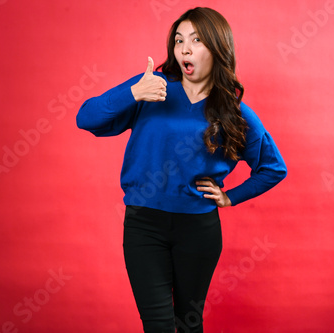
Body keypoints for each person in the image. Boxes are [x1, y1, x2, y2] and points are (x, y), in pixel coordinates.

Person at [76, 7, 287, 333]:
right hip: (144, 226)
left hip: (198, 230)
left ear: (217, 49)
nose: (184, 49)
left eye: (196, 40)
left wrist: (230, 197)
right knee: (158, 325)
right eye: (178, 41)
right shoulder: (152, 87)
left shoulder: (233, 111)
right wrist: (133, 92)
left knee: (188, 324)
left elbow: (273, 168)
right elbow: (86, 118)